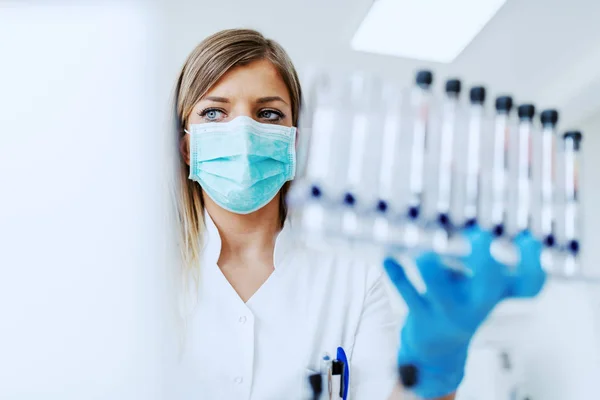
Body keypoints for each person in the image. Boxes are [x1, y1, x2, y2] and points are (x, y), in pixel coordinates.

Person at [171, 28, 546, 400]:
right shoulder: (147, 278)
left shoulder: (354, 275)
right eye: (214, 112)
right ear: (187, 146)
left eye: (268, 113)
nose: (244, 132)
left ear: (294, 143)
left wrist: (435, 371)